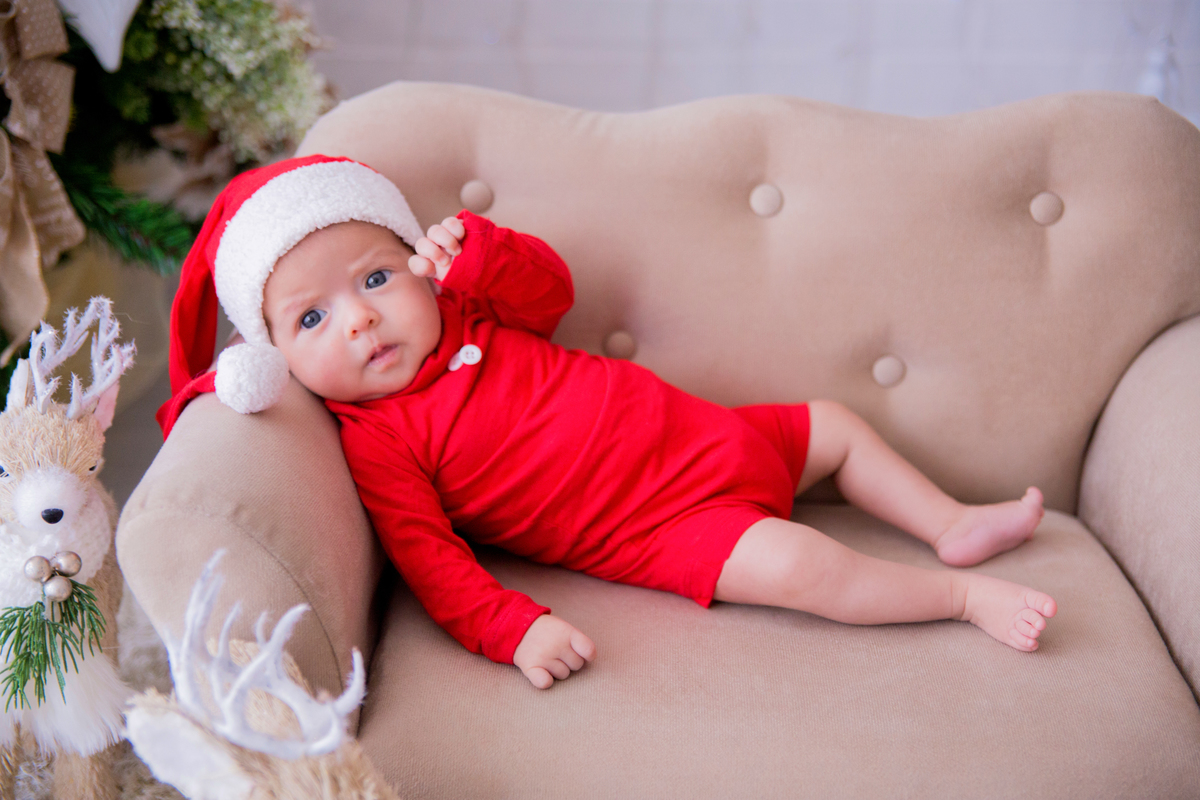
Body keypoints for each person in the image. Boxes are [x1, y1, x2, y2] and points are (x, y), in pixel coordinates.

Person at [160, 155, 1056, 690]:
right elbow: (431, 558)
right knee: (800, 565)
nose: (358, 320)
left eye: (375, 280)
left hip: (716, 436)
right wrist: (513, 631)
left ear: (419, 268)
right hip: (668, 526)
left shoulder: (475, 312)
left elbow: (551, 292)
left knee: (835, 423)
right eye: (312, 320)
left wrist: (483, 254)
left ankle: (950, 525)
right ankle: (961, 599)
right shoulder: (379, 441)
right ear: (274, 353)